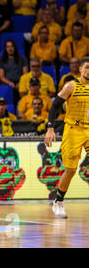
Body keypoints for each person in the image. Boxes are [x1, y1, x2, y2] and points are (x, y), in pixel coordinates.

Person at [45, 56, 89, 218]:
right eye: (87, 67)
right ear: (80, 69)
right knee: (70, 169)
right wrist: (50, 128)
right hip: (74, 129)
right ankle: (58, 201)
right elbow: (55, 106)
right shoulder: (71, 86)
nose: (88, 71)